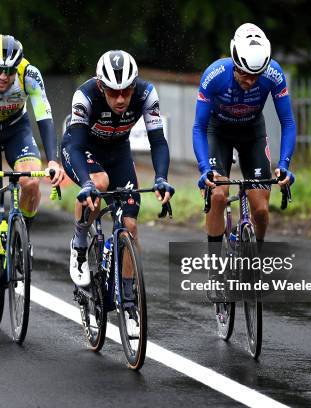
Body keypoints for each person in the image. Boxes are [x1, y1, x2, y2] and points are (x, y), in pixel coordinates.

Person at [0, 34, 63, 302]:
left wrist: (53, 159)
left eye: (9, 70)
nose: (4, 77)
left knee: (31, 181)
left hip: (17, 128)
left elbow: (44, 117)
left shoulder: (29, 74)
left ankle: (20, 238)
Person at [61, 50, 174, 289]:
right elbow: (77, 146)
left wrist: (161, 177)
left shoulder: (146, 93)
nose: (121, 99)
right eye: (114, 92)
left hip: (118, 152)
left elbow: (158, 141)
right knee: (98, 182)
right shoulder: (85, 95)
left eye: (126, 91)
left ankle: (129, 301)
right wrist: (87, 183)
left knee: (130, 226)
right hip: (81, 150)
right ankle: (79, 244)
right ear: (102, 87)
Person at [192, 23, 296, 247]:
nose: (250, 81)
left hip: (252, 132)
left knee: (260, 210)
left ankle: (255, 256)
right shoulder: (214, 75)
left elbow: (287, 122)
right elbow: (199, 127)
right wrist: (203, 169)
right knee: (218, 195)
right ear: (234, 62)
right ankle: (215, 267)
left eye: (256, 76)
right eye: (244, 74)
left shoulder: (274, 73)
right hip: (217, 131)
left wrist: (285, 163)